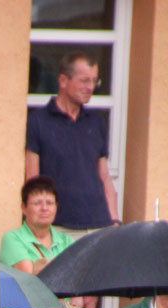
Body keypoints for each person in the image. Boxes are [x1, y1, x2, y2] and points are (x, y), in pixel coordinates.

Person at [25, 51, 119, 232]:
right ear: (63, 81)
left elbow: (104, 176)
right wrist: (36, 225)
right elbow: (32, 177)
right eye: (84, 80)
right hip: (57, 226)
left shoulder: (96, 122)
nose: (91, 87)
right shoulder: (39, 120)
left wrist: (114, 220)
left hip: (98, 224)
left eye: (94, 81)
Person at [0, 176, 73, 274]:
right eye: (37, 203)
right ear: (24, 208)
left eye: (50, 203)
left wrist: (40, 266)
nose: (44, 208)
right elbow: (27, 275)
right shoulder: (13, 238)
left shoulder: (66, 241)